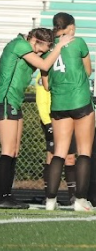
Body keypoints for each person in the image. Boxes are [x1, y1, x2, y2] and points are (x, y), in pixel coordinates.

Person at [0, 28, 73, 209]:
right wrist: (59, 46)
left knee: (15, 150)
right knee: (7, 150)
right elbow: (44, 65)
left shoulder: (31, 45)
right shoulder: (20, 45)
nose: (39, 53)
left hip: (16, 101)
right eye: (39, 48)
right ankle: (2, 195)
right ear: (33, 39)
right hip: (5, 99)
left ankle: (8, 194)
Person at [42, 13, 95, 212]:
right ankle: (80, 200)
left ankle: (50, 200)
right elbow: (88, 71)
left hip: (59, 103)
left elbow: (46, 85)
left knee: (59, 152)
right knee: (84, 151)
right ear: (71, 27)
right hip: (80, 100)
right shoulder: (78, 42)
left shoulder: (48, 47)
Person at [35, 74, 77, 206]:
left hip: (69, 118)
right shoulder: (44, 73)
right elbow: (42, 100)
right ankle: (49, 196)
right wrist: (47, 123)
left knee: (70, 157)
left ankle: (73, 196)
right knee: (52, 155)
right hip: (52, 120)